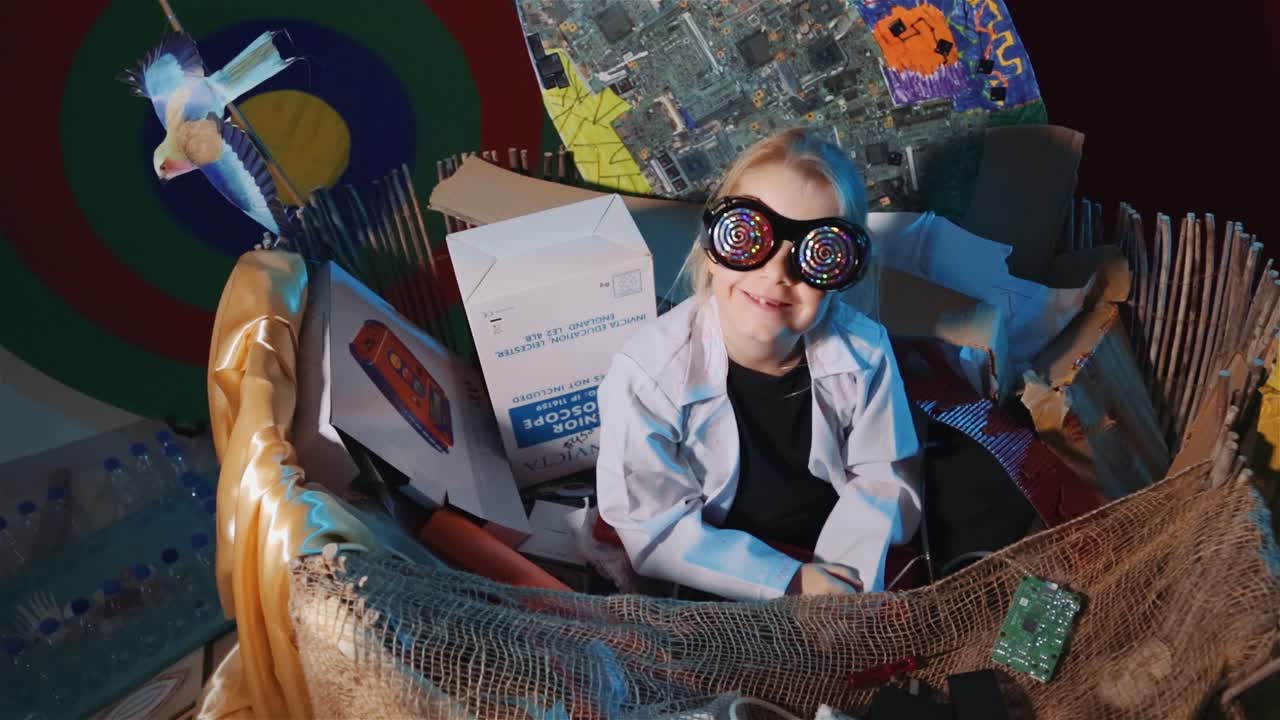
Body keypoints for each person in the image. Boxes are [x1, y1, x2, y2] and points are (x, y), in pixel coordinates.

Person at [596, 128, 922, 601]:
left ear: (842, 277)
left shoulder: (865, 351)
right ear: (711, 249)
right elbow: (655, 526)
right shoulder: (646, 375)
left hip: (833, 543)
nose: (776, 273)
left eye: (818, 252)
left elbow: (884, 477)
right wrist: (788, 582)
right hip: (715, 561)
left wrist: (839, 579)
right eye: (748, 236)